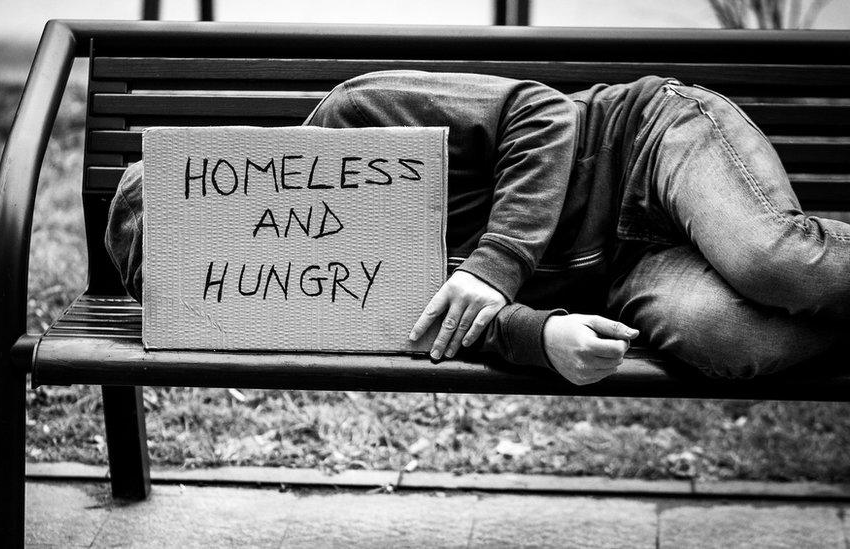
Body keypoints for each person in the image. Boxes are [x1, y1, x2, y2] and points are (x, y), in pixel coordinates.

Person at [105, 71, 850, 385]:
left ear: (227, 167)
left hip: (646, 148)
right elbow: (454, 321)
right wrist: (542, 336)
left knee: (771, 262)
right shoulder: (319, 284)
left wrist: (496, 262)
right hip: (624, 278)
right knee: (728, 338)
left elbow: (542, 111)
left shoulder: (352, 118)